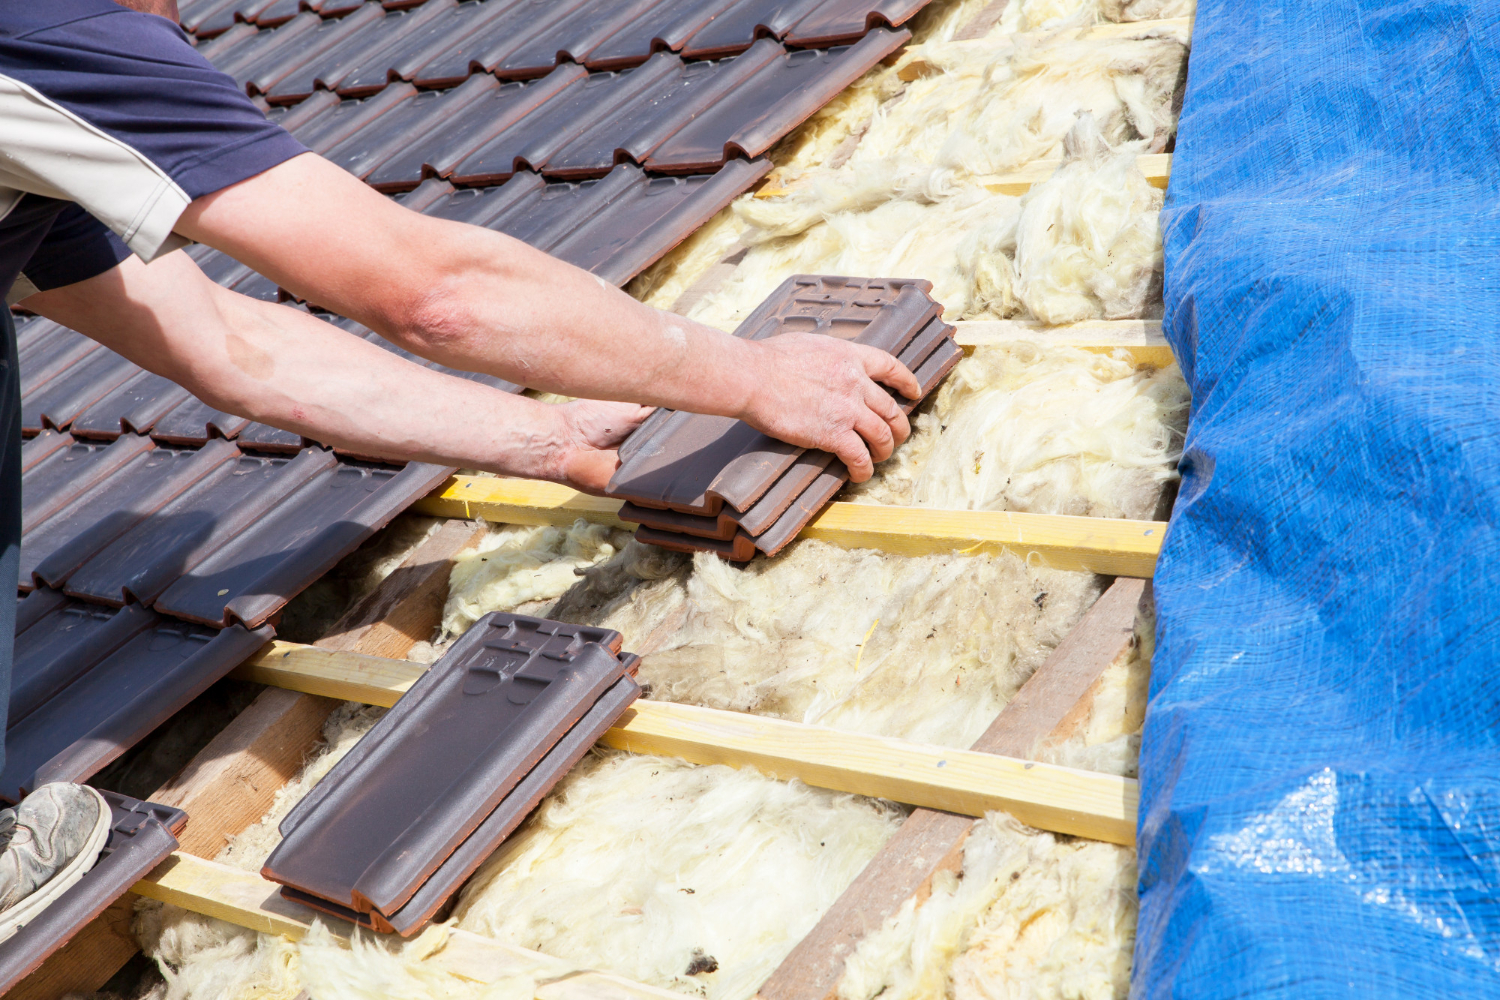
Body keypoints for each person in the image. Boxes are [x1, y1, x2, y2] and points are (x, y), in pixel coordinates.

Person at [0, 0, 918, 940]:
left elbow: (222, 341)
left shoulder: (37, 123)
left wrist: (548, 439)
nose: (179, 24)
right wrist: (751, 374)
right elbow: (434, 294)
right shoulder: (51, 27)